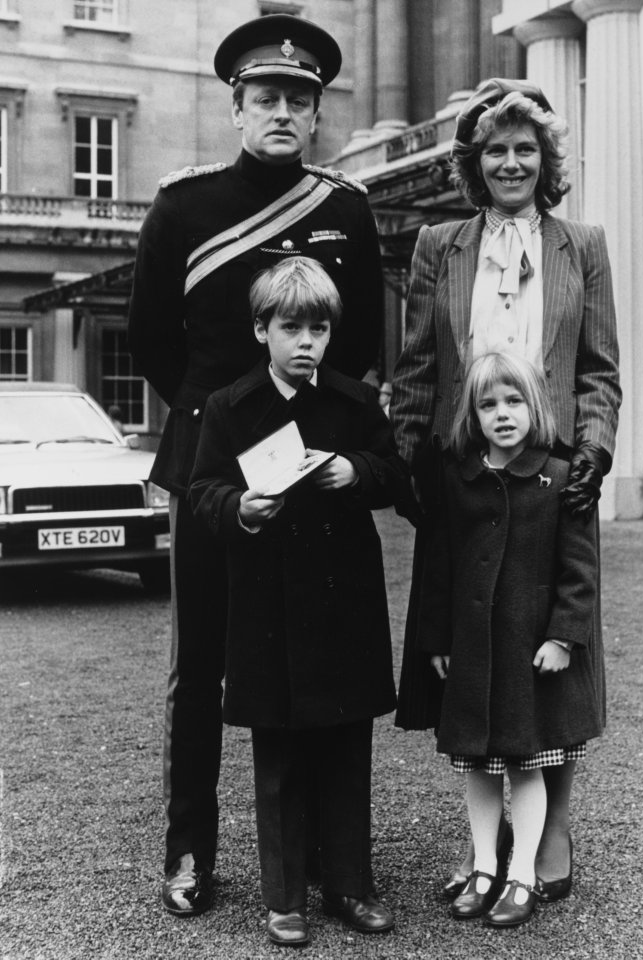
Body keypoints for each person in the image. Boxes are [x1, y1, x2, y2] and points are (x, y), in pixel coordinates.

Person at [127, 14, 385, 916]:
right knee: (200, 664)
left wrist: (306, 432)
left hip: (311, 468)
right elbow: (150, 335)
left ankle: (319, 857)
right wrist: (218, 426)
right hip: (211, 464)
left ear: (316, 114)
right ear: (236, 107)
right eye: (266, 97)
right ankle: (189, 853)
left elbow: (360, 350)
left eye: (300, 99)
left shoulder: (345, 209)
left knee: (311, 653)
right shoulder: (182, 206)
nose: (283, 111)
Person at [391, 78, 621, 902]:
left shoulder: (582, 245)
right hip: (466, 477)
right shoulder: (438, 247)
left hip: (552, 478)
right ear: (474, 163)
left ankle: (549, 828)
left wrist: (593, 449)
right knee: (477, 652)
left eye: (526, 149)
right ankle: (487, 851)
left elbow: (598, 369)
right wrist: (410, 458)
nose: (512, 161)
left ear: (546, 160)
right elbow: (417, 365)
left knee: (549, 652)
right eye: (496, 149)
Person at [188, 256, 407, 946]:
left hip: (343, 603)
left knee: (346, 748)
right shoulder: (229, 406)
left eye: (319, 327)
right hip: (268, 608)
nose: (307, 341)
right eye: (292, 327)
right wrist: (241, 507)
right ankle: (285, 898)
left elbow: (393, 472)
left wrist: (358, 469)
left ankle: (349, 885)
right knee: (278, 753)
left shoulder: (352, 401)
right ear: (262, 330)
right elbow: (202, 491)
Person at [415, 351, 602, 928]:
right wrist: (438, 639)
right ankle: (484, 869)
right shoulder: (461, 478)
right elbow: (442, 567)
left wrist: (564, 638)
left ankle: (522, 874)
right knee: (477, 765)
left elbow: (580, 571)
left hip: (529, 654)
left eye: (514, 401)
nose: (502, 414)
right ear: (472, 414)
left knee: (525, 765)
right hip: (474, 650)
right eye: (488, 403)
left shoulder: (560, 478)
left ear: (536, 406)